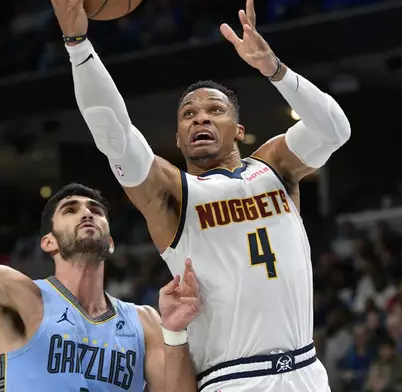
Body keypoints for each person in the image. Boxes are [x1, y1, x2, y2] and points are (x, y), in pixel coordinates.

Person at [50, 0, 351, 390]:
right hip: (233, 379)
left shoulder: (276, 166)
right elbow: (115, 134)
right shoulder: (173, 194)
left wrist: (274, 70)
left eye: (215, 110)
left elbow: (335, 131)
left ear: (238, 130)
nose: (201, 117)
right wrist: (78, 45)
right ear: (178, 137)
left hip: (307, 372)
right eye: (188, 114)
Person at [0, 64, 203, 391]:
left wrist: (175, 333)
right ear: (48, 242)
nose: (87, 214)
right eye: (70, 209)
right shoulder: (23, 297)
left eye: (95, 209)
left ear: (110, 242)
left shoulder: (144, 322)